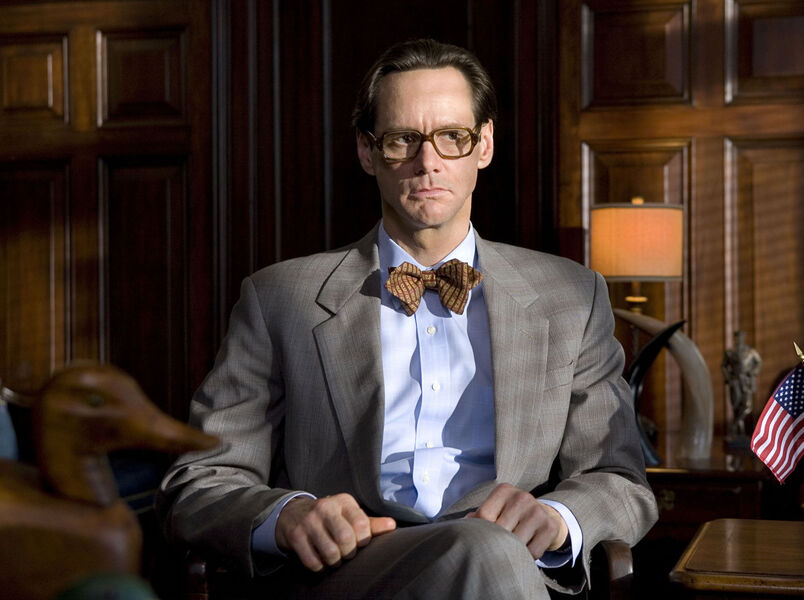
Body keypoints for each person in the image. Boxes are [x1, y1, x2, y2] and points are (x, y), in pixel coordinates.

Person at [157, 38, 657, 599]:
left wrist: (558, 518)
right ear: (367, 152)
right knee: (486, 550)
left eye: (452, 137)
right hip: (352, 574)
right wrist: (287, 515)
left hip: (514, 568)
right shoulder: (279, 299)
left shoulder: (571, 296)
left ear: (484, 145)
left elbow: (621, 480)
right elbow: (197, 482)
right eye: (402, 140)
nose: (428, 162)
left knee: (489, 550)